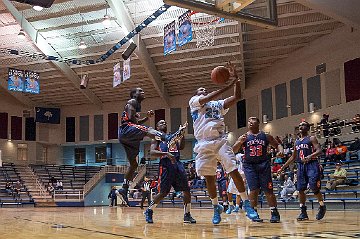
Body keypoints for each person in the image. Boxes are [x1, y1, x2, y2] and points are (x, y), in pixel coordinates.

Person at [189, 62, 258, 224]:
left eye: (204, 89)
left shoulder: (217, 105)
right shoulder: (194, 102)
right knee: (209, 178)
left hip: (220, 140)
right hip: (203, 143)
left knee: (233, 169)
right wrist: (228, 85)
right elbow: (208, 97)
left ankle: (246, 203)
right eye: (201, 91)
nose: (203, 91)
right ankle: (215, 208)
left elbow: (237, 97)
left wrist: (237, 80)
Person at [117, 88, 185, 205]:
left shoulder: (135, 106)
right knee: (148, 130)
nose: (143, 92)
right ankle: (169, 138)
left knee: (134, 164)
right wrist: (141, 119)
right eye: (140, 91)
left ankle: (124, 188)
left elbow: (135, 123)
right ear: (134, 94)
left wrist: (146, 118)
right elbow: (132, 122)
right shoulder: (132, 102)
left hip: (127, 136)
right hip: (126, 129)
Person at [232, 117, 284, 223]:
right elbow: (233, 150)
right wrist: (239, 142)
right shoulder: (244, 137)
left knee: (268, 190)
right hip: (249, 166)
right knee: (253, 190)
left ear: (258, 123)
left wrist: (281, 150)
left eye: (253, 121)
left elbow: (278, 145)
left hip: (263, 164)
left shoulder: (265, 136)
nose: (250, 122)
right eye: (249, 121)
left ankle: (274, 212)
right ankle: (254, 212)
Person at [144, 120, 196, 224]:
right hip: (165, 165)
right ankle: (149, 210)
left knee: (186, 190)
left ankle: (187, 214)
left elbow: (181, 147)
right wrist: (166, 154)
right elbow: (153, 152)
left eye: (165, 123)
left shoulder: (173, 137)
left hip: (177, 164)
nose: (163, 124)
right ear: (157, 127)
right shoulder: (156, 138)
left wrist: (182, 135)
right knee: (163, 192)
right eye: (161, 123)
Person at [279, 121, 326, 221]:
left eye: (303, 125)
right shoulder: (296, 142)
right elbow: (293, 157)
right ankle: (303, 212)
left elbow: (319, 151)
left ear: (308, 128)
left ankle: (322, 206)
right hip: (300, 166)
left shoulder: (311, 138)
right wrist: (283, 167)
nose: (301, 127)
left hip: (312, 164)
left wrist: (310, 156)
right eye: (300, 125)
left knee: (314, 186)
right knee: (300, 189)